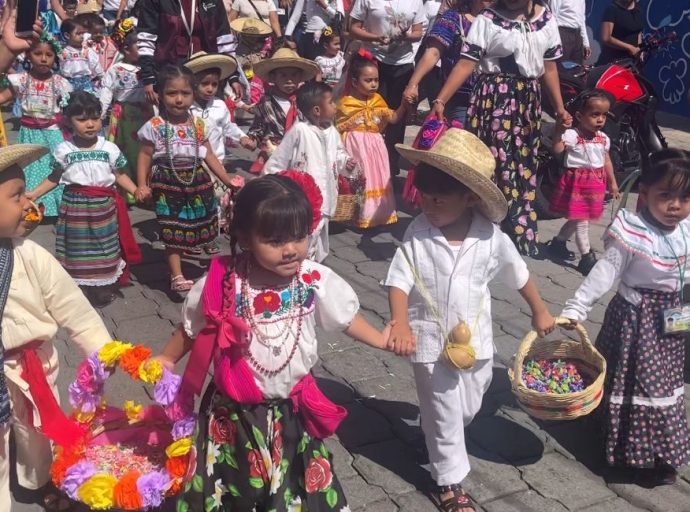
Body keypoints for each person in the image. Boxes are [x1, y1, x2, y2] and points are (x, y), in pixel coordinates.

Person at [154, 173, 410, 511]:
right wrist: (167, 358)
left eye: (299, 237)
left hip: (291, 412)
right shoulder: (224, 279)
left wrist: (381, 339)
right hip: (232, 414)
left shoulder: (312, 277)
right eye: (275, 241)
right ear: (245, 237)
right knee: (234, 485)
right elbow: (192, 327)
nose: (291, 250)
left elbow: (345, 319)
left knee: (291, 485)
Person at [386, 128, 555, 512]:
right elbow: (398, 278)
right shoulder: (418, 232)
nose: (429, 206)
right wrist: (399, 321)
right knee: (445, 409)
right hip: (429, 341)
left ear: (470, 198)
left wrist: (540, 309)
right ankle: (448, 483)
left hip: (474, 343)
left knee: (467, 406)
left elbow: (520, 275)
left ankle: (433, 435)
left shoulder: (491, 238)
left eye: (440, 200)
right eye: (425, 198)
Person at [562, 155, 690, 488]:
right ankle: (628, 453)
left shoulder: (686, 231)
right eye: (666, 195)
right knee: (637, 382)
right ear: (645, 193)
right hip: (636, 320)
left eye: (685, 198)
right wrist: (577, 307)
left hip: (671, 322)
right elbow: (606, 272)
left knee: (664, 384)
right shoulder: (634, 231)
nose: (675, 206)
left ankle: (658, 452)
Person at [0, 144, 114, 512]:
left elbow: (73, 308)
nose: (27, 203)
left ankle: (38, 481)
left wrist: (101, 350)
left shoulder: (29, 255)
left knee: (36, 432)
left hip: (33, 366)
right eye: (17, 196)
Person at [431, 0, 571, 257]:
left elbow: (549, 69)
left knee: (522, 165)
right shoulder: (488, 18)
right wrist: (441, 99)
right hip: (493, 99)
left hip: (527, 102)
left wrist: (560, 109)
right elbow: (466, 63)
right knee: (493, 164)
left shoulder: (546, 20)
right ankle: (480, 232)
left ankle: (516, 234)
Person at [27, 92, 141, 307]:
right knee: (77, 249)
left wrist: (136, 190)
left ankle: (102, 287)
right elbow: (55, 177)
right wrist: (34, 193)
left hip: (103, 209)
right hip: (75, 208)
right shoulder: (64, 150)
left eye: (95, 118)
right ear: (68, 122)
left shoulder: (109, 148)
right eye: (82, 119)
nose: (90, 124)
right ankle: (78, 287)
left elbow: (119, 175)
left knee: (104, 248)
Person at [135, 65, 237, 292]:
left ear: (194, 94)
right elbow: (144, 155)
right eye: (172, 93)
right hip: (167, 182)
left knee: (202, 226)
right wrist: (141, 185)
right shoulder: (155, 126)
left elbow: (208, 154)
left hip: (197, 180)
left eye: (185, 94)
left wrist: (227, 180)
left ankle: (204, 268)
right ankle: (177, 274)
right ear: (160, 95)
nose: (179, 99)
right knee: (172, 228)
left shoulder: (199, 125)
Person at [264, 81, 356, 262]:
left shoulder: (332, 131)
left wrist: (346, 162)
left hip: (327, 198)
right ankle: (299, 268)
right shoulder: (299, 131)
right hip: (304, 200)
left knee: (320, 241)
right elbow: (277, 162)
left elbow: (339, 153)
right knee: (304, 238)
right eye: (331, 103)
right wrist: (272, 190)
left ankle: (311, 268)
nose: (335, 106)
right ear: (317, 110)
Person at [184, 51, 255, 252]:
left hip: (217, 160)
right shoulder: (187, 107)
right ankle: (192, 236)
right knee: (193, 199)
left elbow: (228, 126)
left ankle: (209, 235)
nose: (209, 89)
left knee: (214, 198)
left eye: (214, 84)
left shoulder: (220, 105)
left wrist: (242, 137)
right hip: (193, 162)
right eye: (204, 84)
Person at [348, 0, 425, 176]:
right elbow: (353, 28)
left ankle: (390, 164)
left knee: (397, 114)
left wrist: (405, 37)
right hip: (373, 60)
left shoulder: (415, 2)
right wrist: (375, 38)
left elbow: (418, 32)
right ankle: (365, 160)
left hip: (403, 64)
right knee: (371, 112)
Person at [547, 90, 619, 275]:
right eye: (595, 114)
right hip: (576, 184)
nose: (600, 120)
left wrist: (612, 183)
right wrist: (558, 131)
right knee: (581, 221)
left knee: (576, 219)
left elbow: (606, 161)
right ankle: (586, 257)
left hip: (595, 185)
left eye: (604, 115)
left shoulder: (603, 139)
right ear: (580, 116)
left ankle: (558, 243)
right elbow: (557, 150)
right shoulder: (572, 135)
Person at [0, 35, 71, 218]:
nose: (43, 58)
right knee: (29, 169)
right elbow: (3, 98)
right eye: (38, 53)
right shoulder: (21, 80)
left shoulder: (60, 83)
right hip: (29, 133)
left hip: (53, 133)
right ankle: (32, 207)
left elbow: (69, 109)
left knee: (54, 168)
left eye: (49, 54)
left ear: (55, 58)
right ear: (28, 56)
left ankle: (57, 208)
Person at [335, 50, 405, 228]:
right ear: (354, 82)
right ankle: (356, 215)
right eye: (368, 80)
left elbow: (394, 118)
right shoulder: (346, 103)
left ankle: (377, 214)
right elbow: (337, 129)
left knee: (377, 178)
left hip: (375, 148)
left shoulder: (378, 101)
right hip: (355, 147)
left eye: (376, 80)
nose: (373, 84)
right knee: (359, 178)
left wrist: (404, 104)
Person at [136, 0, 241, 105]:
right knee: (175, 114)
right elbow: (147, 39)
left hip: (207, 69)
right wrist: (148, 77)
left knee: (211, 115)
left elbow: (223, 37)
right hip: (171, 71)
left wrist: (233, 76)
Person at [405, 0, 493, 125]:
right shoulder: (453, 19)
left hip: (493, 99)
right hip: (459, 98)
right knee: (459, 141)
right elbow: (433, 53)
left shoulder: (502, 23)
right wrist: (412, 85)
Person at [246, 48, 320, 173]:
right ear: (273, 78)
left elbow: (314, 124)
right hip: (275, 151)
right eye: (283, 75)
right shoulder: (266, 102)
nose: (289, 80)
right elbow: (259, 127)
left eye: (294, 75)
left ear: (301, 77)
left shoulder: (305, 100)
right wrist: (252, 140)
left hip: (301, 150)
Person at [101, 18, 151, 199]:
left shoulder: (148, 69)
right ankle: (128, 191)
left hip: (145, 115)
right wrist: (100, 114)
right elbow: (107, 91)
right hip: (123, 116)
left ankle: (145, 188)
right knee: (123, 151)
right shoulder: (117, 69)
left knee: (144, 151)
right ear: (126, 50)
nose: (144, 51)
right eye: (140, 47)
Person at [58, 18, 104, 93]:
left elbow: (96, 66)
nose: (82, 36)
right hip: (67, 83)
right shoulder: (62, 51)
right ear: (67, 35)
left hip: (85, 83)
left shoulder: (87, 50)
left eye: (82, 33)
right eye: (78, 33)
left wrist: (103, 78)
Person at [596, 0, 642, 66]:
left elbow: (637, 32)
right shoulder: (612, 9)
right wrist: (630, 48)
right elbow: (605, 38)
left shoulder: (638, 9)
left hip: (632, 62)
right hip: (613, 62)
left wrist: (639, 51)